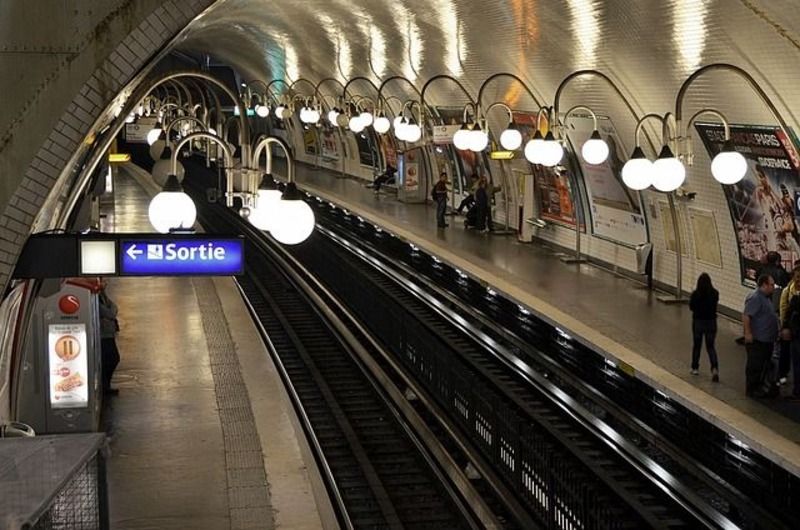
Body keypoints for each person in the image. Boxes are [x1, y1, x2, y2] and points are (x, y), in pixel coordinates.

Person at [743, 274, 779, 397]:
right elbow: (747, 315)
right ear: (764, 285)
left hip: (766, 339)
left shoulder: (766, 298)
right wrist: (748, 333)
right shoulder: (756, 298)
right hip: (758, 340)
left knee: (763, 364)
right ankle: (752, 389)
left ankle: (759, 386)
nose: (773, 287)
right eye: (771, 284)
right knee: (755, 365)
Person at [689, 273, 719, 382]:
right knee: (710, 347)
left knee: (697, 346)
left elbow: (691, 307)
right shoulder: (715, 293)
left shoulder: (695, 294)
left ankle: (695, 367)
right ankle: (714, 368)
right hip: (711, 322)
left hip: (698, 322)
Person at [781, 267, 800, 400]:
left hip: (797, 333)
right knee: (796, 363)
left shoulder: (795, 298)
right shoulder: (789, 292)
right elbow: (784, 310)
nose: (798, 280)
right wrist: (784, 327)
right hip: (795, 334)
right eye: (797, 277)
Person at [98, 281, 121, 395]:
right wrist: (111, 312)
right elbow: (111, 312)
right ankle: (105, 385)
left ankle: (106, 385)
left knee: (111, 359)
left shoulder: (101, 294)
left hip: (108, 332)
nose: (105, 283)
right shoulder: (95, 297)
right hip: (103, 334)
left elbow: (114, 307)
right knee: (112, 359)